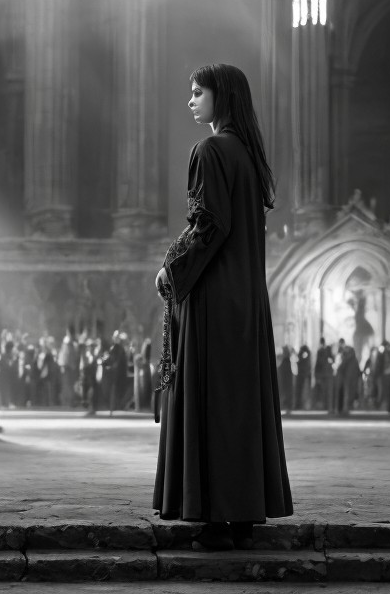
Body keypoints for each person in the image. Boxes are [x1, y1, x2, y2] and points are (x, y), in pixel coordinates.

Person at [153, 64, 293, 551]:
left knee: (213, 402)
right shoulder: (250, 158)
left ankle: (212, 517)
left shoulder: (211, 149)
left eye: (197, 93)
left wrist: (172, 272)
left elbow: (208, 224)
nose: (190, 100)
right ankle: (242, 516)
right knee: (238, 405)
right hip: (248, 301)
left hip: (214, 299)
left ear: (222, 96)